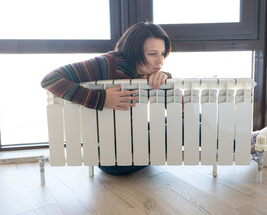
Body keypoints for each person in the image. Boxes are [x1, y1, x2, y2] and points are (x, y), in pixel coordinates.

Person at [41, 22, 172, 175]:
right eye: (152, 54)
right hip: (115, 158)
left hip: (131, 143)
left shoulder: (145, 72)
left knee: (193, 120)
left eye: (162, 53)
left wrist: (165, 78)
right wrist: (101, 99)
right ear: (134, 51)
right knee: (187, 125)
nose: (160, 61)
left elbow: (177, 108)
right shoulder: (107, 64)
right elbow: (50, 79)